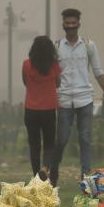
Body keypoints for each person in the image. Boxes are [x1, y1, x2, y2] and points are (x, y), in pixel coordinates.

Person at [51, 8, 104, 188]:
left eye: (73, 24)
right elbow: (51, 76)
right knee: (62, 139)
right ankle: (53, 170)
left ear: (79, 24)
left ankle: (86, 178)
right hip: (64, 99)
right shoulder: (56, 47)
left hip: (85, 98)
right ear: (63, 25)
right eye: (67, 24)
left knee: (85, 138)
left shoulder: (89, 46)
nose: (70, 27)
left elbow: (98, 72)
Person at [22, 36, 62, 182]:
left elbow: (25, 82)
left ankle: (36, 177)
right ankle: (45, 167)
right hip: (49, 110)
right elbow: (58, 83)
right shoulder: (54, 66)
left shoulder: (26, 65)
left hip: (31, 110)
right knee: (49, 143)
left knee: (34, 145)